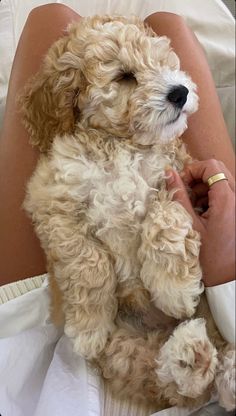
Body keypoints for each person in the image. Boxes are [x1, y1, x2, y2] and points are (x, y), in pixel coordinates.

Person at [0, 4, 235, 416]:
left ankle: (191, 370)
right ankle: (199, 368)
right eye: (127, 77)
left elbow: (52, 208)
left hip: (44, 360)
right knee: (168, 25)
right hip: (209, 306)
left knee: (50, 18)